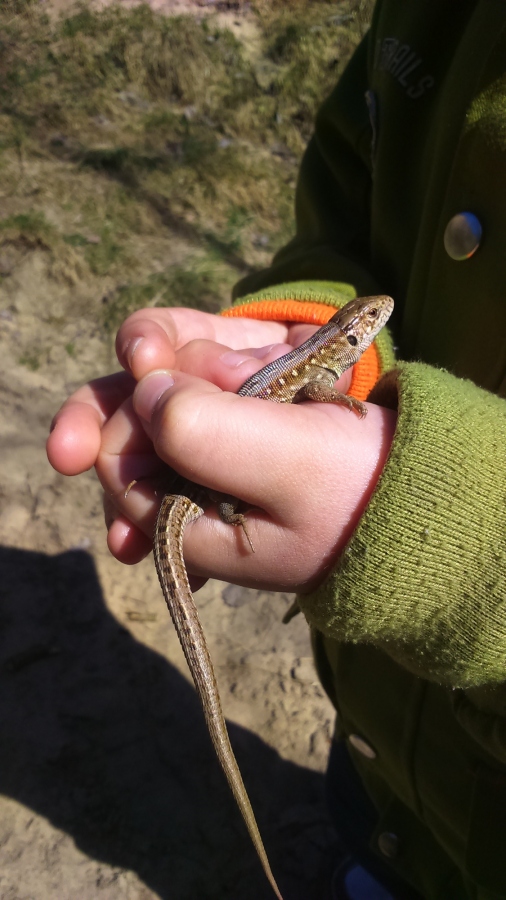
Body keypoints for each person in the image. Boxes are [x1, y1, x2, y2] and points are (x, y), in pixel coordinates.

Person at [47, 1, 506, 897]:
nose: (372, 325)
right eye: (363, 327)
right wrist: (299, 318)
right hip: (376, 765)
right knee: (368, 844)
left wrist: (421, 510)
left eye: (366, 325)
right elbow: (346, 212)